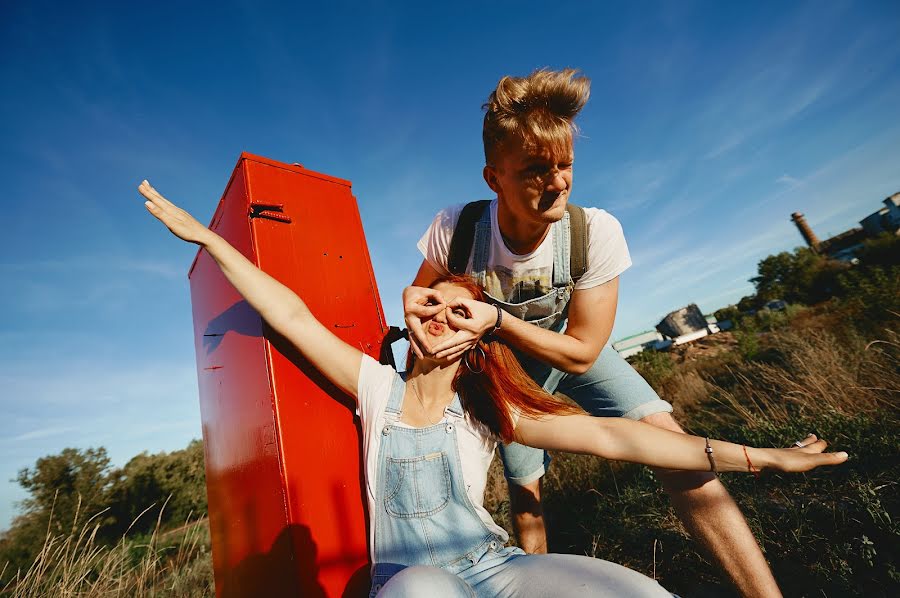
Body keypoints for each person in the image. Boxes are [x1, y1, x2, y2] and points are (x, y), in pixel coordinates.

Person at [138, 180, 847, 597]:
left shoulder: (489, 412)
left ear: (479, 336)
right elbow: (289, 313)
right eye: (431, 304)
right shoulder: (373, 390)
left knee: (642, 593)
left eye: (461, 310)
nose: (441, 314)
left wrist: (765, 456)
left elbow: (618, 435)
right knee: (417, 593)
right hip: (417, 582)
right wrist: (209, 239)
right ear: (413, 321)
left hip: (499, 571)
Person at [404, 68, 795, 597]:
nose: (558, 181)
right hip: (509, 373)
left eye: (565, 165)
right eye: (536, 169)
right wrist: (419, 308)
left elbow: (584, 353)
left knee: (672, 447)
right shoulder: (456, 229)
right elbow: (424, 301)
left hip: (568, 350)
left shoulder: (595, 232)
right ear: (493, 178)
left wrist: (498, 320)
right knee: (528, 504)